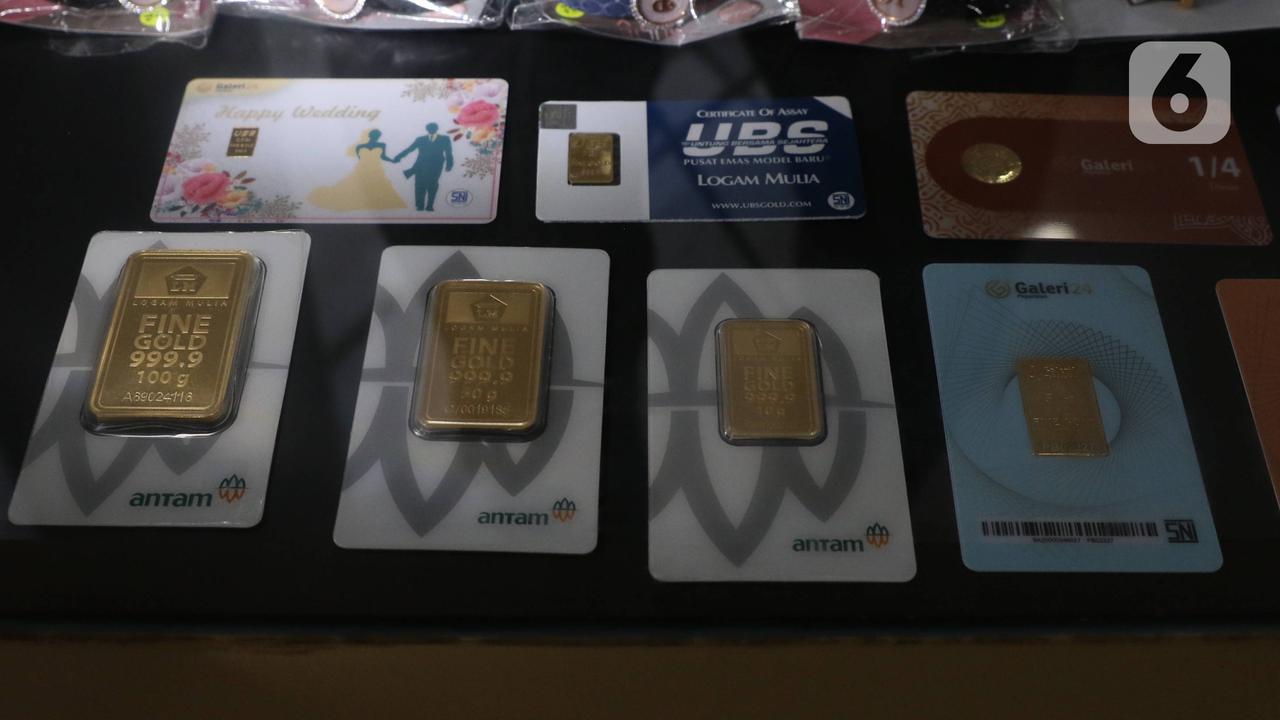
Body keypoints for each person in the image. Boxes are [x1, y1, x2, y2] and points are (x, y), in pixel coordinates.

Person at [307, 129, 406, 211]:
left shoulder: (381, 145)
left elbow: (383, 156)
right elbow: (359, 157)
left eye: (377, 136)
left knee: (377, 184)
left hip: (376, 168)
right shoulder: (360, 146)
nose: (376, 137)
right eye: (375, 136)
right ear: (371, 136)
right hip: (364, 168)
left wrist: (392, 161)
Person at [392, 122, 454, 212]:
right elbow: (409, 149)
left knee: (433, 184)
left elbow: (448, 152)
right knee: (419, 185)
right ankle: (419, 206)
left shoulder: (444, 139)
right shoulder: (420, 139)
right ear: (427, 129)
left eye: (433, 128)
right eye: (429, 128)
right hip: (420, 165)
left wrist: (449, 164)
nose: (431, 129)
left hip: (436, 166)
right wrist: (398, 157)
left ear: (437, 129)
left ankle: (430, 205)